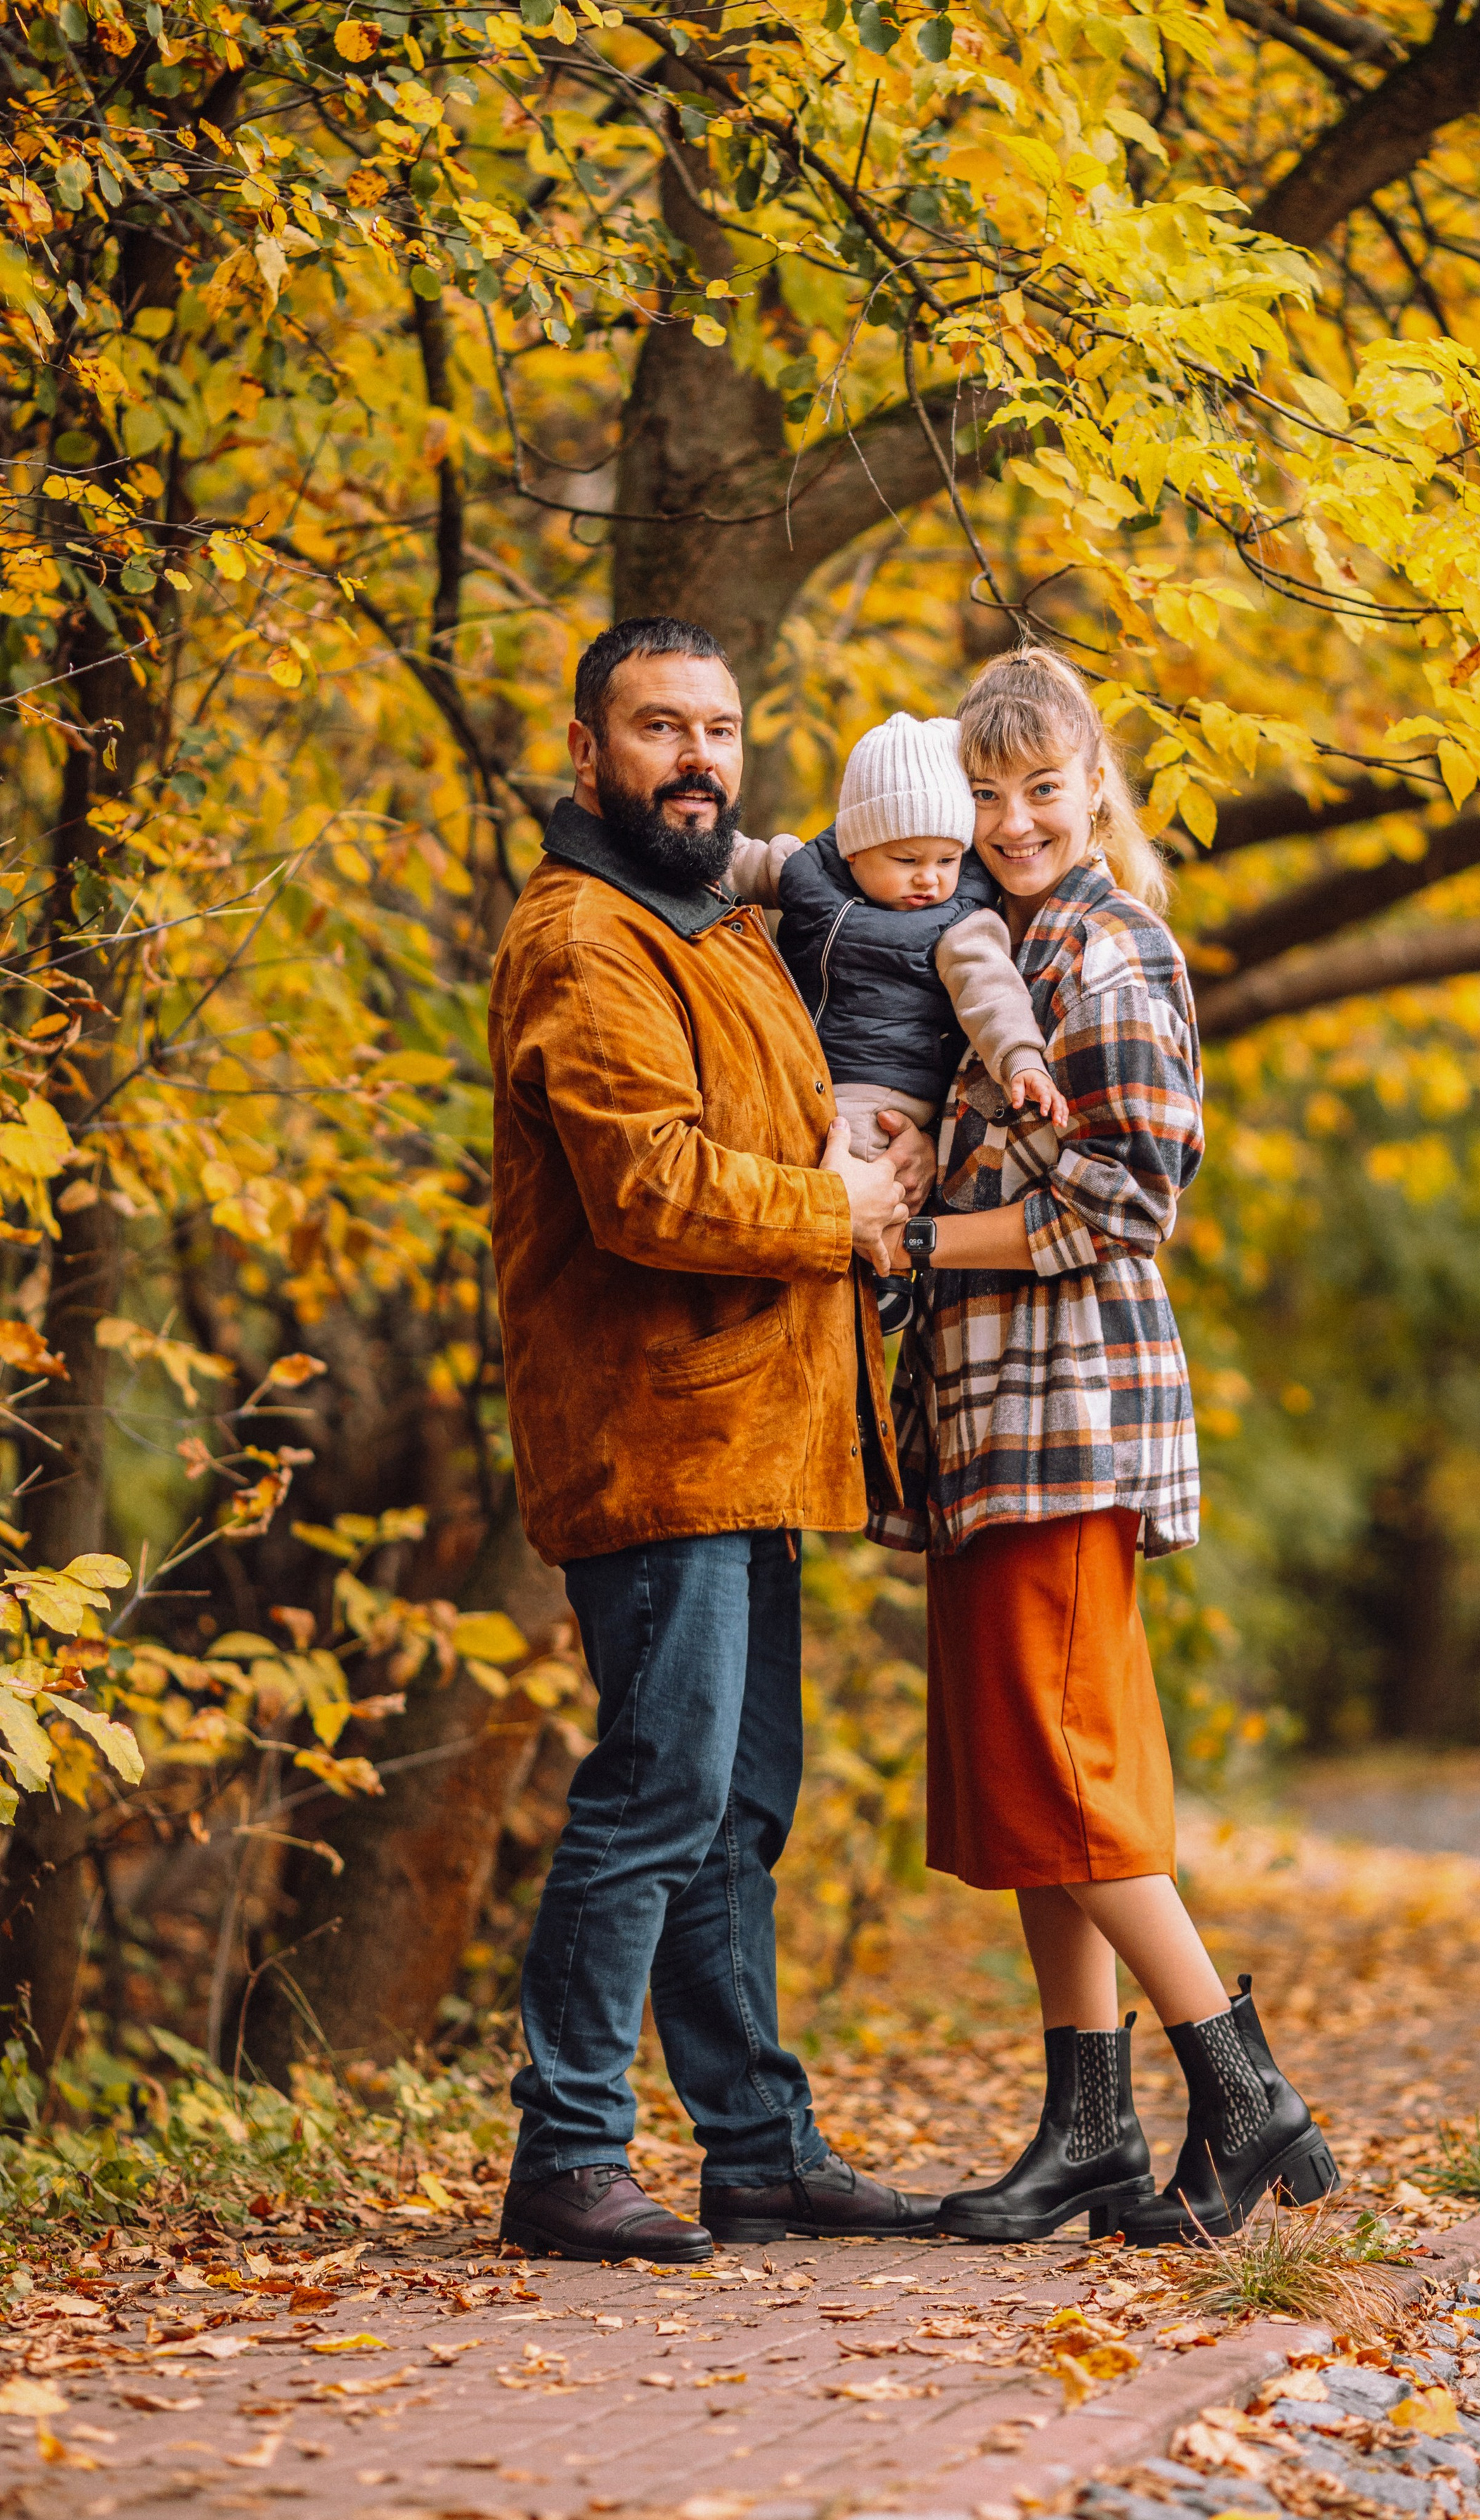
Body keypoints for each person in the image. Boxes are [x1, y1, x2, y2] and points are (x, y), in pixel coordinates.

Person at [487, 615, 942, 2262]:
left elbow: (779, 1113)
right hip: (653, 1436)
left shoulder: (713, 926)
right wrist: (836, 1206)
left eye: (720, 731)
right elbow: (650, 1189)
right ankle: (568, 2149)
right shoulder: (587, 937)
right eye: (658, 727)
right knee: (658, 1788)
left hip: (755, 1435)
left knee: (742, 1800)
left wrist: (867, 1145)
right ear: (589, 746)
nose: (695, 758)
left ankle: (753, 2150)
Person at [871, 647, 1339, 2245]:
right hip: (994, 1431)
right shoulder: (997, 943)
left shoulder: (1104, 951)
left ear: (1092, 785)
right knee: (1027, 1789)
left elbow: (1123, 1202)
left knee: (1069, 1778)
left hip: (1069, 1419)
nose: (1009, 818)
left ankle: (1241, 2086)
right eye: (983, 793)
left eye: (1039, 787)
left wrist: (933, 1245)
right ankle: (1085, 2127)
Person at [730, 712, 1067, 1330]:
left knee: (855, 1151)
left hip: (885, 1085)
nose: (929, 878)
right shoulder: (808, 874)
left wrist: (1022, 1057)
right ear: (855, 849)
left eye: (947, 858)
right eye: (908, 858)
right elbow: (743, 861)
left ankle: (883, 1271)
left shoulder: (956, 919)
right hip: (808, 1067)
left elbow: (991, 991)